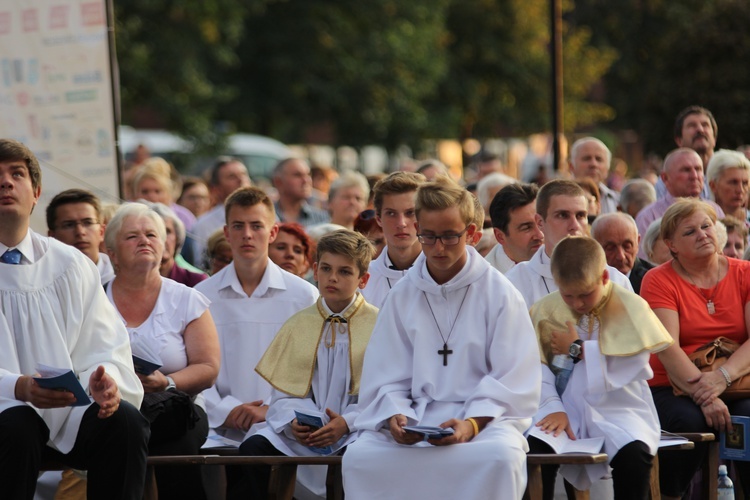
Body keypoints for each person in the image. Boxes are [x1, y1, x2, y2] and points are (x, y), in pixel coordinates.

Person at [343, 176, 541, 500]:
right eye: (429, 236)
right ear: (419, 229)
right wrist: (395, 416)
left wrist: (471, 425)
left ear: (472, 234)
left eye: (449, 237)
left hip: (483, 420)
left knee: (499, 459)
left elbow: (513, 378)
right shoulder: (403, 296)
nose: (437, 248)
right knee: (361, 459)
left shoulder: (500, 294)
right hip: (416, 415)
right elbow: (385, 375)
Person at [0, 138, 148, 499]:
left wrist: (106, 382)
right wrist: (17, 388)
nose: (5, 182)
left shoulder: (70, 264)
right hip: (5, 411)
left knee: (124, 422)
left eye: (16, 174)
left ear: (36, 193)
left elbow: (105, 344)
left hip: (68, 413)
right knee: (17, 423)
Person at [232, 230, 377, 499]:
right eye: (326, 268)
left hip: (358, 430)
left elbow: (384, 393)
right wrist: (295, 422)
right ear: (314, 270)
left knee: (365, 456)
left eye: (345, 272)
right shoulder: (300, 323)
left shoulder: (380, 326)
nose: (333, 278)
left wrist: (346, 422)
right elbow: (283, 396)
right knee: (254, 448)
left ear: (363, 279)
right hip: (306, 435)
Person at [527, 236, 673, 499]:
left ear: (604, 277)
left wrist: (581, 349)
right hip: (566, 408)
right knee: (532, 448)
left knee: (635, 455)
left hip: (620, 409)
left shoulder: (629, 306)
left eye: (585, 294)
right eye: (568, 295)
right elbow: (537, 367)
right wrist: (553, 408)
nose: (577, 304)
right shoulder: (547, 311)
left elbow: (635, 362)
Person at [104, 203, 220, 499]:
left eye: (152, 235)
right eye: (132, 236)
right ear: (112, 253)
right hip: (112, 408)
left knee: (176, 447)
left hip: (177, 410)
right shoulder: (94, 298)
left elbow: (208, 368)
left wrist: (166, 382)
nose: (144, 241)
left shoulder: (187, 299)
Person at [640, 198, 750, 498]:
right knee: (690, 422)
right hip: (672, 384)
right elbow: (667, 346)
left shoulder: (745, 273)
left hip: (737, 381)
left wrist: (722, 378)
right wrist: (706, 396)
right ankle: (670, 494)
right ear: (670, 244)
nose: (703, 234)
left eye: (707, 226)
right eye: (690, 232)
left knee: (749, 417)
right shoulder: (657, 279)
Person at [195, 187, 318, 443]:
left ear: (273, 231)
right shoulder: (201, 296)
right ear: (226, 232)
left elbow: (310, 369)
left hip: (283, 429)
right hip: (218, 429)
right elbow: (195, 365)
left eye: (257, 226)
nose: (247, 235)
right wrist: (225, 411)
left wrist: (271, 409)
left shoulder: (303, 296)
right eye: (238, 226)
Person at [506, 180, 633, 309]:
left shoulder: (616, 280)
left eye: (580, 216)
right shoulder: (516, 282)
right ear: (539, 222)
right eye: (563, 215)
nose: (574, 226)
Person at [636, 148, 724, 257]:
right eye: (686, 170)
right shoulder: (648, 217)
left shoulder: (715, 210)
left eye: (698, 169)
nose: (694, 176)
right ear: (665, 178)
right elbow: (643, 263)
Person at [361, 171, 426, 308]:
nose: (401, 223)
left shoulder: (444, 274)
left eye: (410, 213)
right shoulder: (361, 280)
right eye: (391, 213)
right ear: (378, 219)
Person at [190, 157, 252, 267]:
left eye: (243, 174)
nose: (241, 180)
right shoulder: (204, 225)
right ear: (215, 188)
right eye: (232, 177)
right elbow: (202, 266)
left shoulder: (268, 216)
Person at [46, 188, 114, 285]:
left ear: (101, 232)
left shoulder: (121, 280)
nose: (80, 232)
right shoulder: (41, 284)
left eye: (87, 223)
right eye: (69, 225)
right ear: (52, 236)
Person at [655, 106, 718, 200]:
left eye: (705, 125)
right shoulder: (666, 182)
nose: (700, 129)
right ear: (679, 140)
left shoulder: (730, 173)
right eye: (692, 125)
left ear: (714, 139)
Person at [485, 183, 544, 274]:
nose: (540, 235)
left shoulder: (563, 263)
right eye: (526, 227)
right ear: (500, 236)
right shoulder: (487, 282)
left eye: (541, 223)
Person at [591, 212, 653, 294]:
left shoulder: (654, 280)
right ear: (595, 246)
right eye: (610, 248)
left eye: (627, 246)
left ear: (637, 242)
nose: (621, 256)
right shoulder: (587, 279)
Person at [149, 202, 208, 287]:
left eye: (167, 231)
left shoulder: (197, 282)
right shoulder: (130, 281)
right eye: (153, 232)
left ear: (178, 238)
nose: (162, 238)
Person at [272, 158, 330, 227]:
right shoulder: (266, 217)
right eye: (297, 175)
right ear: (278, 182)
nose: (306, 180)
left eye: (308, 175)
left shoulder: (323, 220)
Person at [568, 137, 620, 214]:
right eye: (586, 158)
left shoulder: (618, 201)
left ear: (607, 168)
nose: (593, 164)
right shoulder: (557, 201)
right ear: (571, 166)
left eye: (599, 159)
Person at [706, 149, 750, 223]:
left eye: (745, 183)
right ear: (713, 186)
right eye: (733, 182)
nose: (740, 190)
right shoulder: (703, 224)